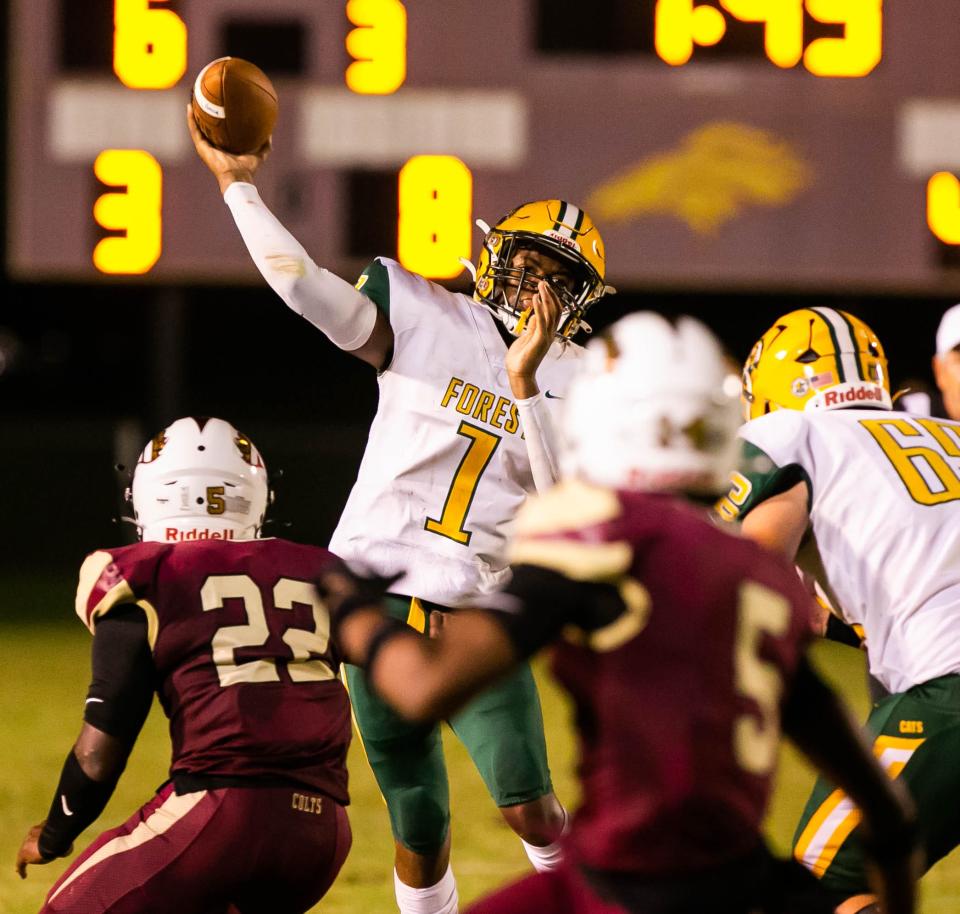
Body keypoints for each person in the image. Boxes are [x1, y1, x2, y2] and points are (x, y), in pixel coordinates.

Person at [319, 313, 919, 914]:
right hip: (744, 883)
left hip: (624, 884)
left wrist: (351, 612)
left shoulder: (601, 542)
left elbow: (425, 687)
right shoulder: (764, 573)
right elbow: (889, 814)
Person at [187, 111, 614, 913]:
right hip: (374, 596)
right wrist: (236, 184)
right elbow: (298, 283)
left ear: (582, 299)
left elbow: (566, 509)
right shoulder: (426, 314)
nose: (537, 287)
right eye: (528, 262)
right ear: (494, 255)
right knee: (418, 819)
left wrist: (524, 386)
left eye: (559, 278)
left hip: (481, 608)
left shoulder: (585, 378)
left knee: (531, 805)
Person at [15, 417, 353, 914]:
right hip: (323, 832)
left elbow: (102, 744)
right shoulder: (321, 568)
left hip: (221, 813)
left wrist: (56, 832)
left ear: (147, 495)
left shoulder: (146, 572)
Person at [726, 306, 960, 914]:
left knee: (825, 885)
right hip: (944, 671)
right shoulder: (948, 435)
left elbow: (748, 577)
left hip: (948, 692)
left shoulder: (790, 435)